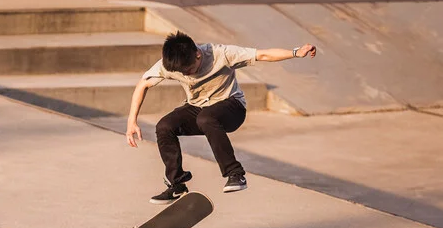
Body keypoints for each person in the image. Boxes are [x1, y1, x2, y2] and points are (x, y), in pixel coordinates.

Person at [126, 32, 317, 204]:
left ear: (198, 54)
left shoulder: (222, 54)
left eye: (189, 69)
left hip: (231, 107)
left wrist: (295, 52)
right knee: (164, 126)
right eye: (181, 73)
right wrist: (131, 121)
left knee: (205, 118)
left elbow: (263, 55)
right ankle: (177, 184)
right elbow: (142, 85)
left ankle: (236, 174)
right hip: (199, 107)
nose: (186, 74)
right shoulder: (172, 64)